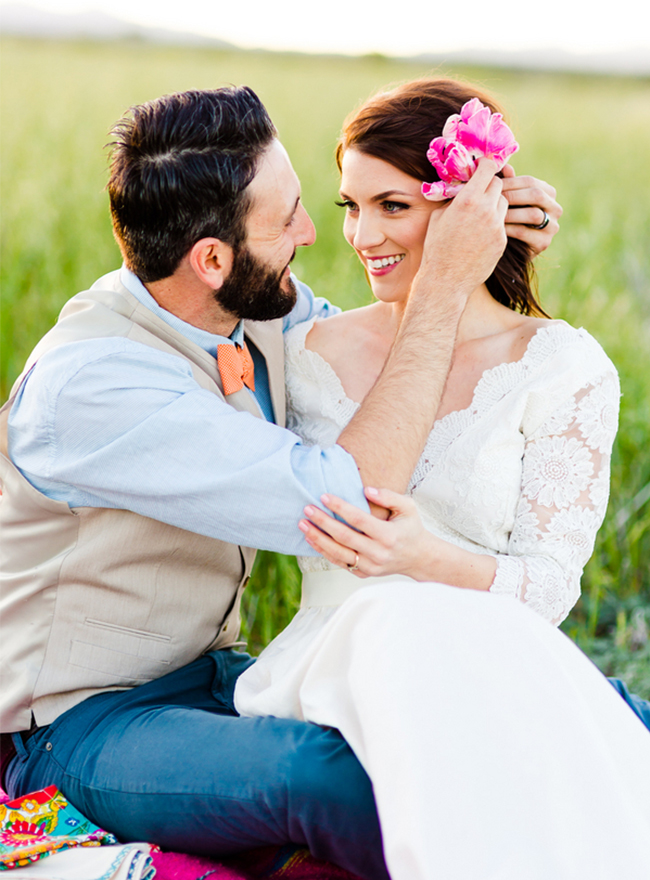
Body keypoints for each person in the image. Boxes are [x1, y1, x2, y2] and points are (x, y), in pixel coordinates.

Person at [0, 85, 564, 877]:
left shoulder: (245, 307)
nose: (309, 233)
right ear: (212, 258)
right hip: (84, 723)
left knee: (535, 709)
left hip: (222, 677)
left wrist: (482, 232)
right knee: (332, 776)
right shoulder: (93, 386)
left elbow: (389, 355)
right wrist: (439, 285)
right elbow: (351, 501)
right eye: (288, 217)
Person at [234, 79, 650, 878]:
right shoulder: (304, 349)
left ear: (470, 212)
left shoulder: (563, 368)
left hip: (495, 665)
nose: (360, 235)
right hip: (329, 665)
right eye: (351, 206)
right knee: (396, 632)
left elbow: (551, 586)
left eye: (393, 205)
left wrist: (427, 557)